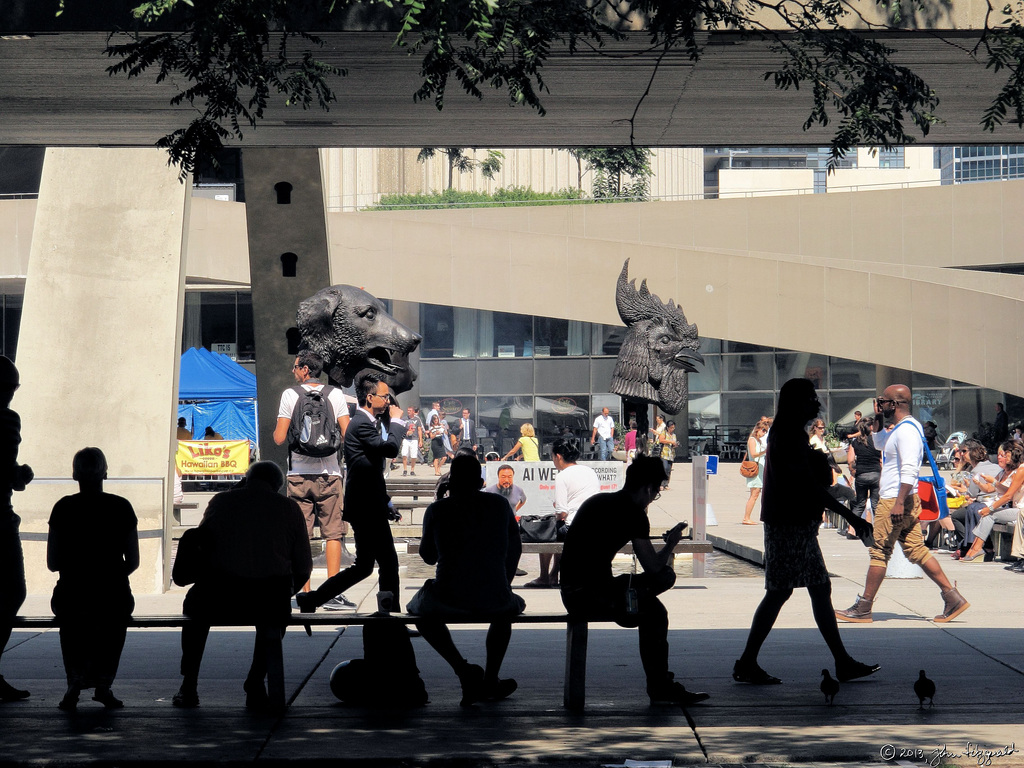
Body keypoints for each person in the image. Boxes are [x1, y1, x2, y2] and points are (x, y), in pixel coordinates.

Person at [733, 379, 878, 686]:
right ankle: (750, 662)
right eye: (811, 398)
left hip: (792, 523)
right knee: (789, 591)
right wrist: (853, 516)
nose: (817, 404)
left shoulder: (789, 435)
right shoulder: (787, 437)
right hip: (790, 525)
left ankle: (840, 661)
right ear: (796, 402)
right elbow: (807, 487)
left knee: (806, 589)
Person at [560, 456, 709, 706]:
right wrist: (671, 544)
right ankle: (660, 687)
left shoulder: (598, 501)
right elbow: (653, 567)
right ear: (648, 488)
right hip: (594, 596)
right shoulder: (634, 514)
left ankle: (660, 684)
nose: (653, 498)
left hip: (572, 591)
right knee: (660, 597)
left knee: (653, 607)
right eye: (656, 493)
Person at [173, 461, 312, 711]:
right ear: (278, 486)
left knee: (194, 607)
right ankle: (256, 682)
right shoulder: (289, 508)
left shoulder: (221, 501)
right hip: (267, 599)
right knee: (276, 613)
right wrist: (287, 592)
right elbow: (303, 568)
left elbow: (203, 542)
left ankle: (189, 683)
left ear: (246, 479)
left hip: (220, 596)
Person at [836, 384, 969, 624]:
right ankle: (952, 598)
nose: (881, 404)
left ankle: (864, 607)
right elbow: (879, 444)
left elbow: (909, 469)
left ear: (895, 404)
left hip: (895, 499)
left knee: (879, 552)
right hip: (902, 498)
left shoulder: (906, 431)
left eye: (884, 402)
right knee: (916, 550)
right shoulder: (902, 428)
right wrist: (877, 417)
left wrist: (898, 503)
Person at [407, 454, 525, 706]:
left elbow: (428, 557)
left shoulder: (438, 509)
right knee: (506, 611)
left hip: (450, 595)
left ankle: (463, 669)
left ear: (451, 482)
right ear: (481, 482)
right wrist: (505, 582)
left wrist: (438, 514)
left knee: (417, 611)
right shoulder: (499, 506)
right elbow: (515, 549)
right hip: (494, 594)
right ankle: (491, 679)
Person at [298, 374, 404, 614]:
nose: (388, 401)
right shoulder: (361, 423)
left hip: (368, 502)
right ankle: (392, 619)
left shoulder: (366, 423)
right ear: (370, 397)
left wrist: (386, 501)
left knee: (364, 566)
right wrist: (397, 423)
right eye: (384, 396)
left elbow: (368, 470)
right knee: (388, 562)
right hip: (366, 507)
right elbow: (390, 448)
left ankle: (312, 599)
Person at [47, 447, 139, 711]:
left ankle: (74, 681)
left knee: (73, 624)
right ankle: (103, 684)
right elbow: (132, 561)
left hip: (71, 593)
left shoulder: (63, 508)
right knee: (113, 623)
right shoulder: (121, 507)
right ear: (105, 473)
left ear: (74, 475)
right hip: (113, 594)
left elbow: (53, 563)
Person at [273, 351, 354, 610]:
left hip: (298, 475)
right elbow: (347, 432)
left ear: (306, 369)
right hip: (330, 475)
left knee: (301, 536)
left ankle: (303, 592)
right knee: (333, 534)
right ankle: (331, 593)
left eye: (295, 367)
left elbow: (278, 437)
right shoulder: (335, 394)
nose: (293, 371)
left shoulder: (290, 395)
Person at [0, 356, 33, 703]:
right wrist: (20, 474)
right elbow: (4, 469)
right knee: (12, 592)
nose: (11, 396)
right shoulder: (7, 420)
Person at [525, 439, 599, 589]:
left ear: (558, 456)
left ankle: (545, 576)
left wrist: (558, 513)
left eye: (552, 457)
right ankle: (554, 574)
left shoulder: (562, 476)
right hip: (593, 525)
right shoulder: (589, 471)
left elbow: (561, 512)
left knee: (547, 533)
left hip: (573, 527)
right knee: (558, 529)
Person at [957, 441, 1024, 562]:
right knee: (986, 514)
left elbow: (1008, 495)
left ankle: (977, 549)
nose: (1001, 456)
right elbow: (999, 489)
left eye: (1005, 454)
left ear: (1013, 453)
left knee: (989, 515)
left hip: (1020, 510)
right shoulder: (1007, 471)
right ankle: (974, 549)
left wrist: (990, 508)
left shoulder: (1020, 470)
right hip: (1016, 509)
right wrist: (985, 482)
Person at [846, 418, 881, 537]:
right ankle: (879, 532)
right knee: (876, 503)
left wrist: (853, 471)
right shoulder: (877, 441)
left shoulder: (855, 442)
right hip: (876, 474)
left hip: (861, 475)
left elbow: (850, 460)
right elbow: (882, 459)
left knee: (860, 503)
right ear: (871, 427)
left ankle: (851, 530)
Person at [742, 418, 768, 525]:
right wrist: (764, 451)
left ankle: (747, 517)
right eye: (763, 431)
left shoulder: (758, 440)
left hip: (759, 469)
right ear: (757, 429)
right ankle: (746, 517)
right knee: (754, 494)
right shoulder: (752, 440)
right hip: (755, 469)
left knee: (756, 494)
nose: (764, 433)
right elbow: (753, 454)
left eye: (765, 431)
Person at [401, 405, 423, 476]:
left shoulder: (417, 419)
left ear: (413, 411)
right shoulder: (404, 419)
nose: (408, 412)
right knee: (404, 454)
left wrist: (420, 440)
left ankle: (412, 470)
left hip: (414, 439)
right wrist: (405, 433)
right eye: (408, 410)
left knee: (413, 455)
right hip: (406, 439)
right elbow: (401, 429)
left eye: (410, 411)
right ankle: (405, 469)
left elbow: (419, 430)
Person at [657, 421, 678, 490]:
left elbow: (674, 443)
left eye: (674, 428)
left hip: (671, 454)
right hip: (664, 454)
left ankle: (666, 484)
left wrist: (675, 444)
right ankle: (661, 484)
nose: (673, 429)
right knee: (664, 468)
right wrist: (671, 442)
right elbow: (661, 440)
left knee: (668, 469)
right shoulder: (664, 433)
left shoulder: (674, 435)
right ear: (668, 427)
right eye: (671, 428)